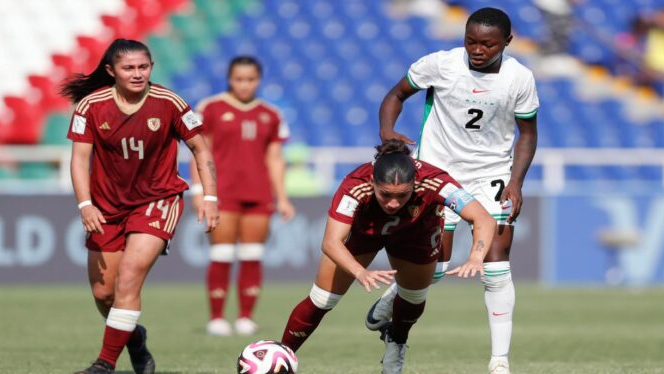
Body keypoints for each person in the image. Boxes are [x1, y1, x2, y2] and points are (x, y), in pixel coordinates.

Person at [367, 8, 539, 374]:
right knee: (437, 266)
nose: (477, 49)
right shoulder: (440, 65)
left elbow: (528, 134)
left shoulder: (520, 78)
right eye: (471, 40)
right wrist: (387, 131)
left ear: (507, 42)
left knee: (497, 263)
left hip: (492, 173)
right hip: (439, 172)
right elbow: (396, 94)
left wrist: (516, 182)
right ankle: (396, 296)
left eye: (487, 44)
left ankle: (499, 362)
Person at [61, 38, 219, 374]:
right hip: (106, 207)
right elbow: (79, 160)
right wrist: (85, 204)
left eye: (143, 67)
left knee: (129, 278)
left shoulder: (170, 102)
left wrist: (209, 195)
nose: (137, 74)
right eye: (128, 68)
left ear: (151, 67)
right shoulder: (91, 106)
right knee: (105, 294)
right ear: (111, 71)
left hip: (157, 200)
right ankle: (135, 340)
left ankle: (104, 364)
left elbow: (201, 149)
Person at [280, 140, 496, 374]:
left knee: (413, 298)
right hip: (364, 234)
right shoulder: (355, 184)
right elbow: (331, 242)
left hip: (416, 233)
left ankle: (396, 342)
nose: (393, 203)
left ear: (415, 182)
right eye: (385, 195)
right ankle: (279, 356)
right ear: (373, 182)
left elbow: (483, 218)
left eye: (403, 196)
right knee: (322, 299)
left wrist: (476, 257)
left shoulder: (436, 181)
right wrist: (360, 271)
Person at [190, 56, 294, 337]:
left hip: (258, 194)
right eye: (239, 79)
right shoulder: (210, 108)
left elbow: (274, 158)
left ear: (258, 80)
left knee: (252, 254)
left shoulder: (271, 114)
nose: (244, 85)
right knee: (222, 253)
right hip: (222, 193)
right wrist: (199, 190)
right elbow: (200, 151)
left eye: (250, 79)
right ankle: (217, 317)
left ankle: (246, 316)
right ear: (229, 78)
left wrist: (282, 197)